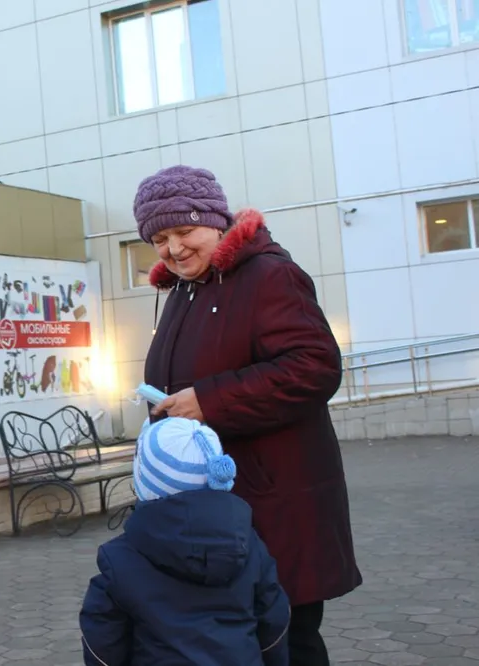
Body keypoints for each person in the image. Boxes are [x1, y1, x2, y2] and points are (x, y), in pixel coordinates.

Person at [135, 165, 361, 666]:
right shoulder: (185, 288)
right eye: (159, 239)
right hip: (219, 508)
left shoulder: (269, 275)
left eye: (184, 231)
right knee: (237, 644)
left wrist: (209, 402)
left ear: (215, 222)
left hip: (275, 505)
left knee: (287, 642)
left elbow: (314, 367)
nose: (173, 249)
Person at [80, 417, 290, 665]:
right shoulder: (248, 545)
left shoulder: (119, 559)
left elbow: (101, 645)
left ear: (145, 483)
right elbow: (274, 623)